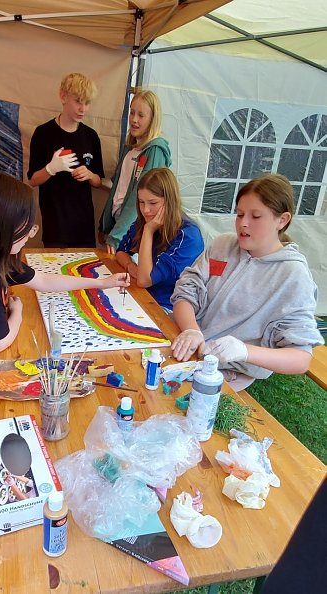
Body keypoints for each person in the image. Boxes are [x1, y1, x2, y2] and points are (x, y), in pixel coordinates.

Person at [0, 169, 129, 432]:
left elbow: (42, 280)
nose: (31, 233)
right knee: (61, 413)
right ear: (1, 222)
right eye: (26, 226)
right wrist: (16, 311)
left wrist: (101, 283)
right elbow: (1, 341)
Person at [170, 173, 323, 390]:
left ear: (282, 220)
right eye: (240, 214)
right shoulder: (223, 245)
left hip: (226, 373)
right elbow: (187, 288)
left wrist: (244, 350)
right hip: (185, 344)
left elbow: (300, 358)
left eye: (256, 216)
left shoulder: (293, 275)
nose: (243, 223)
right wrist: (191, 330)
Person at [27, 72, 104, 248]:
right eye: (78, 101)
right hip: (55, 224)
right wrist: (51, 169)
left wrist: (90, 175)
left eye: (87, 103)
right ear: (63, 97)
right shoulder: (43, 133)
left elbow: (99, 181)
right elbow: (32, 180)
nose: (83, 109)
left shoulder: (91, 136)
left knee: (84, 272)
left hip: (83, 225)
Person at [115, 168, 204, 312]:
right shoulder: (145, 220)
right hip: (142, 295)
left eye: (152, 203)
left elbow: (145, 280)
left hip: (168, 307)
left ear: (170, 201)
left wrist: (148, 231)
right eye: (141, 202)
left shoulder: (188, 235)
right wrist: (130, 266)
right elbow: (120, 252)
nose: (145, 210)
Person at [99, 89, 172, 253]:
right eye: (132, 113)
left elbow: (137, 198)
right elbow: (117, 187)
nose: (134, 120)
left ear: (153, 119)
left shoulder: (154, 151)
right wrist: (105, 224)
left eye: (141, 115)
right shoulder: (130, 149)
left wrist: (116, 236)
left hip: (133, 232)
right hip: (118, 226)